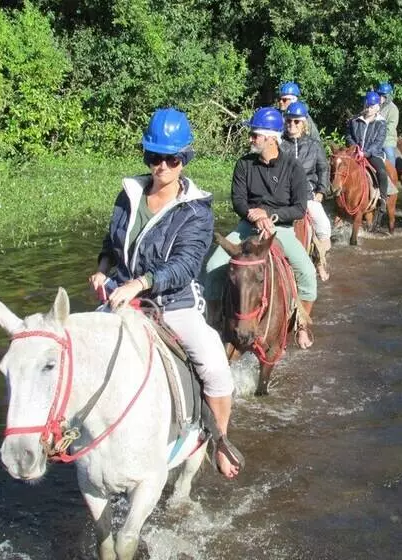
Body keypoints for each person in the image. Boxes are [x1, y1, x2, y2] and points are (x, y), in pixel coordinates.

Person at [88, 108, 242, 479]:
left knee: (215, 367)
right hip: (120, 297)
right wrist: (102, 269)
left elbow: (186, 265)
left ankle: (219, 441)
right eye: (155, 157)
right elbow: (111, 242)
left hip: (172, 302)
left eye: (172, 159)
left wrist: (140, 283)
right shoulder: (129, 194)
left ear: (183, 160)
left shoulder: (196, 211)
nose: (162, 166)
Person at [204, 107, 317, 349]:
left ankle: (302, 325)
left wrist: (271, 216)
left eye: (255, 135)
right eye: (252, 135)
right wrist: (254, 216)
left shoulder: (293, 167)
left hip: (281, 229)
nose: (251, 139)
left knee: (307, 273)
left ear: (271, 138)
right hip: (247, 227)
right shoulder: (244, 164)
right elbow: (238, 200)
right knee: (213, 265)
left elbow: (299, 208)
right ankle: (213, 322)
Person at [280, 101, 332, 281]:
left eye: (296, 121)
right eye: (288, 121)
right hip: (283, 194)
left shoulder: (314, 145)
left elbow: (323, 168)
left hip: (307, 194)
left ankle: (320, 260)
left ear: (304, 123)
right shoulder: (279, 144)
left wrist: (321, 191)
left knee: (323, 226)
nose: (291, 124)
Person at [346, 91, 388, 200]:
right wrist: (355, 148)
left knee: (382, 172)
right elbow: (349, 136)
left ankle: (383, 199)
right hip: (355, 152)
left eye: (372, 107)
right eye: (367, 106)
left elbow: (378, 142)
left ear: (377, 107)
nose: (369, 109)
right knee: (339, 166)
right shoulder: (354, 120)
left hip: (373, 154)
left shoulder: (381, 123)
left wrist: (365, 153)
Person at [375, 82, 399, 168]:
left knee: (389, 155)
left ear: (388, 96)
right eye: (379, 95)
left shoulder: (393, 109)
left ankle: (391, 173)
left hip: (387, 139)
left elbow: (391, 126)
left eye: (383, 96)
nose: (380, 97)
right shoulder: (376, 106)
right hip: (374, 138)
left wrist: (379, 133)